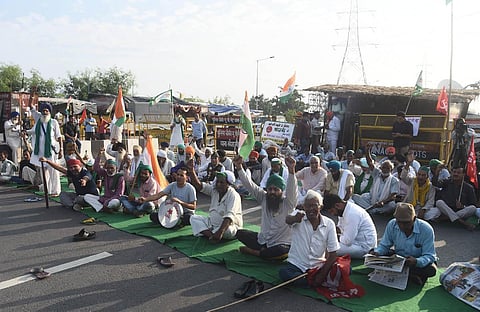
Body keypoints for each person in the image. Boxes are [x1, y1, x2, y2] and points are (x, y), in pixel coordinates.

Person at [234, 155, 297, 260]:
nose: (272, 192)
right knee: (240, 233)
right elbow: (249, 185)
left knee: (281, 251)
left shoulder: (289, 202)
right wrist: (239, 167)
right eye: (270, 189)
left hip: (281, 243)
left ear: (282, 191)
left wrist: (291, 170)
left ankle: (254, 252)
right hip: (263, 240)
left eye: (276, 189)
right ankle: (263, 252)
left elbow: (292, 188)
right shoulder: (264, 197)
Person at [278, 190, 339, 287]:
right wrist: (294, 219)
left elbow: (333, 254)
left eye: (315, 205)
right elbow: (288, 219)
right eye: (308, 206)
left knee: (346, 270)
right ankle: (311, 281)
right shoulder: (298, 215)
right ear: (304, 207)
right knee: (284, 273)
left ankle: (310, 280)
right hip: (297, 265)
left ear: (321, 207)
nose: (311, 209)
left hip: (318, 266)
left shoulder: (329, 224)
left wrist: (322, 274)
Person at [371, 203, 437, 287]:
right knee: (374, 256)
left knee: (431, 270)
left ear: (414, 219)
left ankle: (403, 273)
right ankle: (409, 275)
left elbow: (429, 255)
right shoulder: (392, 224)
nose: (402, 226)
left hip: (417, 261)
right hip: (400, 258)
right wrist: (377, 252)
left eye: (406, 223)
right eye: (399, 222)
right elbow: (384, 245)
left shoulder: (426, 229)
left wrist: (417, 261)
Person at [187, 159, 243, 241]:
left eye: (221, 182)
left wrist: (220, 231)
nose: (218, 184)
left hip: (229, 226)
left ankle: (216, 234)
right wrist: (191, 171)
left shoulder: (233, 195)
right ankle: (212, 235)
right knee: (193, 218)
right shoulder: (214, 190)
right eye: (217, 182)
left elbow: (229, 217)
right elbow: (199, 186)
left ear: (228, 184)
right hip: (212, 224)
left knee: (228, 231)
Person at [323, 194, 377, 259]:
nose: (332, 214)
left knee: (329, 248)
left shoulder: (352, 214)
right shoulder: (343, 210)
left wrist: (336, 236)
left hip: (365, 248)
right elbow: (340, 229)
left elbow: (347, 241)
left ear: (337, 205)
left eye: (332, 211)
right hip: (355, 242)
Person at [29, 102, 63, 196]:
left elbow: (59, 136)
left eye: (46, 111)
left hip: (51, 151)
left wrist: (61, 150)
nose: (45, 112)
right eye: (43, 111)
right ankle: (47, 190)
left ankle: (56, 191)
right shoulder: (38, 121)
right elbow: (31, 108)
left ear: (49, 112)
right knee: (43, 172)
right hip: (40, 151)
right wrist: (32, 98)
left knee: (53, 171)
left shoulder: (53, 122)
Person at [432, 166, 477, 231]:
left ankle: (445, 218)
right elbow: (435, 184)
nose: (455, 174)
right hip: (446, 209)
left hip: (460, 211)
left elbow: (473, 204)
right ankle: (463, 223)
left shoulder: (469, 188)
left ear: (463, 174)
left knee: (473, 208)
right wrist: (437, 173)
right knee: (439, 202)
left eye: (458, 173)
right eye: (454, 172)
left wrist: (463, 206)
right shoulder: (446, 182)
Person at [401, 155, 437, 220]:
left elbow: (430, 201)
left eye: (423, 175)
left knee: (436, 211)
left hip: (422, 209)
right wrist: (408, 163)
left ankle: (413, 217)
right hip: (410, 206)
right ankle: (413, 216)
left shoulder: (430, 186)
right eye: (419, 174)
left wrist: (423, 210)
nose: (420, 177)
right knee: (399, 206)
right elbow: (403, 177)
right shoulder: (412, 181)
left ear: (427, 176)